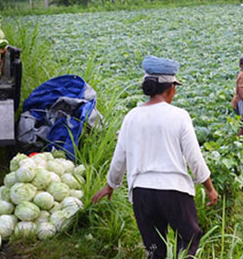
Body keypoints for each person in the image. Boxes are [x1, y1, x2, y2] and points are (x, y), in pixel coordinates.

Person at [92, 56, 218, 259]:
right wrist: (210, 189)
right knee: (189, 239)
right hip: (174, 191)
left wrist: (110, 185)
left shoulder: (131, 116)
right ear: (170, 88)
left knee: (154, 250)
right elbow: (195, 158)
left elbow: (119, 158)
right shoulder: (179, 116)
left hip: (142, 193)